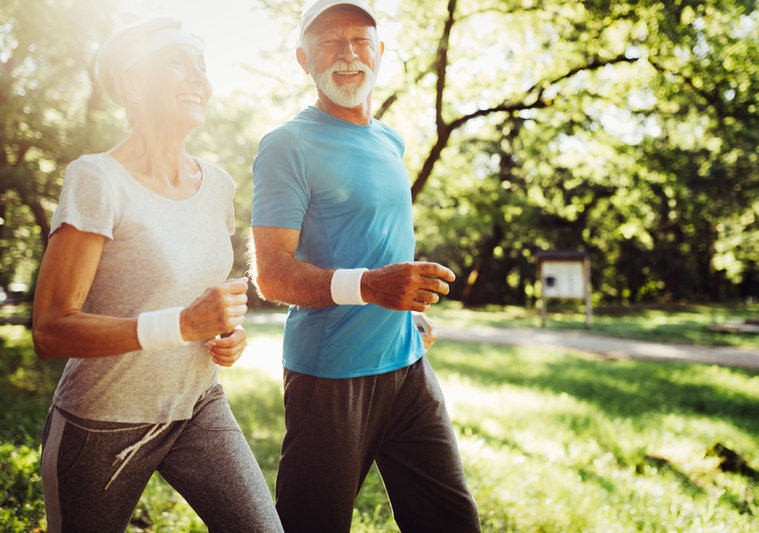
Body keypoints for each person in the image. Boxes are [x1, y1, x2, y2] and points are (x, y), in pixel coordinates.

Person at [32, 18, 283, 533]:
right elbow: (50, 330)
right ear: (132, 84)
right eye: (177, 61)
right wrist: (183, 325)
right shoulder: (97, 179)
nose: (199, 78)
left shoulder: (218, 184)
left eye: (202, 66)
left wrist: (223, 332)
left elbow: (196, 297)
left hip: (198, 405)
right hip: (101, 423)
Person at [248, 1, 481, 531]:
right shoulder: (287, 145)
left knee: (451, 520)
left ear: (379, 53)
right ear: (303, 59)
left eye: (360, 40)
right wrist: (373, 288)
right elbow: (272, 274)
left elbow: (374, 242)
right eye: (329, 42)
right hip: (330, 378)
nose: (347, 54)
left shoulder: (388, 140)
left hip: (407, 366)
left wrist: (403, 313)